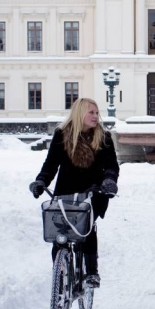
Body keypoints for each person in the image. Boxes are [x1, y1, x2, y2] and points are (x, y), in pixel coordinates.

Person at [30, 98, 119, 288]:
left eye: (97, 113)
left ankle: (92, 272)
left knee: (86, 228)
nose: (96, 116)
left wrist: (109, 181)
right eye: (91, 113)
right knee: (60, 235)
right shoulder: (62, 135)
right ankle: (59, 275)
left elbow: (111, 166)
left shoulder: (103, 137)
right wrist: (40, 181)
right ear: (80, 114)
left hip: (94, 192)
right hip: (65, 192)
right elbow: (51, 165)